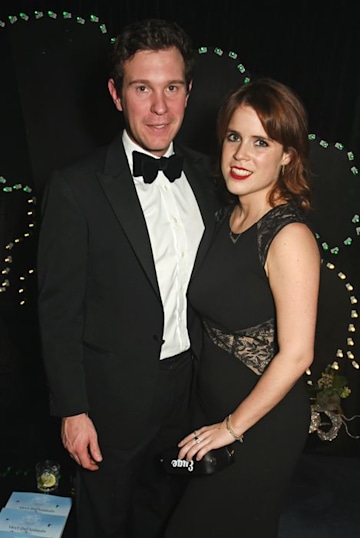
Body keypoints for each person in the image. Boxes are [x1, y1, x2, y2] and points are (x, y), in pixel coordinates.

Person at [37, 18, 215, 538]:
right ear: (117, 95)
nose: (159, 107)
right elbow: (58, 311)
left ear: (187, 94)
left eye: (172, 88)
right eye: (143, 88)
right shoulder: (75, 188)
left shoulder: (211, 177)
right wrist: (73, 410)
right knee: (103, 522)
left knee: (167, 518)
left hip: (192, 394)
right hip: (112, 402)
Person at [165, 77, 321, 538]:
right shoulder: (224, 216)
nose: (241, 154)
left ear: (287, 154)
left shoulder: (289, 237)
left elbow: (297, 354)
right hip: (210, 412)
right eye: (234, 137)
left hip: (259, 426)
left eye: (261, 142)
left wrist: (231, 428)